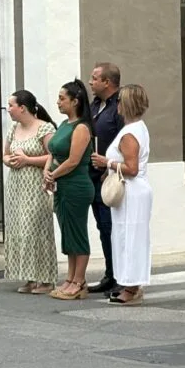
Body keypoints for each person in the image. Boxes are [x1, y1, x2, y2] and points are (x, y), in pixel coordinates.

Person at [1, 89, 57, 294]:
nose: (8, 110)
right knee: (19, 229)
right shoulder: (13, 128)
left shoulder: (44, 128)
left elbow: (53, 155)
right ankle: (29, 276)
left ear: (22, 108)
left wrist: (28, 160)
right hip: (16, 185)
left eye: (11, 106)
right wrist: (11, 161)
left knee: (34, 228)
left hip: (36, 185)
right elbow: (5, 154)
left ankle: (46, 278)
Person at [46, 80, 96, 301]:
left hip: (76, 186)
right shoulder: (64, 125)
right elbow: (53, 152)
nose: (58, 102)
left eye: (62, 98)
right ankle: (70, 277)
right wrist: (48, 172)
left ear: (75, 101)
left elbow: (74, 160)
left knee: (77, 232)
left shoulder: (81, 128)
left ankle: (80, 280)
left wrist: (53, 174)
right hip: (62, 186)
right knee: (68, 233)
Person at [106, 85, 153, 306]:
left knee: (129, 237)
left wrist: (107, 162)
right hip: (136, 190)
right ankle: (131, 285)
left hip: (132, 191)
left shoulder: (129, 133)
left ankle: (131, 287)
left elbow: (131, 168)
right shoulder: (138, 128)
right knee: (130, 236)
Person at [88, 62, 124, 295]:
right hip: (93, 176)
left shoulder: (119, 107)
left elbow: (125, 141)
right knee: (103, 228)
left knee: (114, 228)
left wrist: (108, 166)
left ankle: (122, 277)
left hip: (110, 176)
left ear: (107, 82)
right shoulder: (93, 106)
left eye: (94, 78)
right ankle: (110, 274)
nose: (90, 82)